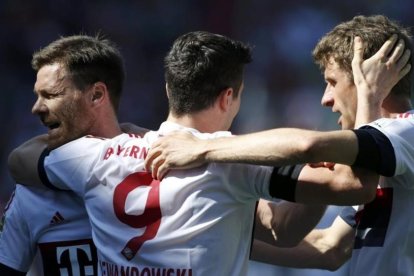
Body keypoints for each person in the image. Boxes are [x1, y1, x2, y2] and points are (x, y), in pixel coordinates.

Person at [8, 30, 407, 275]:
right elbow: (342, 190)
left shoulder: (92, 158)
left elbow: (21, 161)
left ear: (169, 90)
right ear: (228, 97)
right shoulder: (230, 159)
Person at [144, 15, 414, 275]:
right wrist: (216, 235)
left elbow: (310, 145)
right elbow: (328, 248)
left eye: (332, 82)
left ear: (368, 79)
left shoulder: (407, 131)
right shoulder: (381, 155)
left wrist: (201, 148)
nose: (326, 99)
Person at [0, 34, 149, 275]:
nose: (36, 108)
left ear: (97, 95)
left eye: (51, 95)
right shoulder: (31, 192)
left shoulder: (158, 175)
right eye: (38, 95)